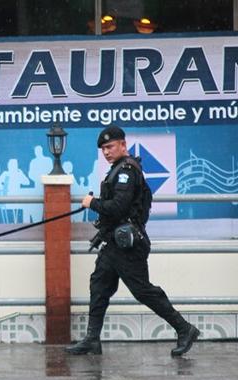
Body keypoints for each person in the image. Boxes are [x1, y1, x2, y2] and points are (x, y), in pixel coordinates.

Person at [65, 125, 199, 357]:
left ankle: (184, 328)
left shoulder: (126, 171)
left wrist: (92, 203)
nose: (106, 152)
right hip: (114, 244)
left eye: (110, 147)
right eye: (103, 149)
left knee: (143, 291)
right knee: (99, 285)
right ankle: (92, 340)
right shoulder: (117, 170)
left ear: (123, 145)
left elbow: (118, 207)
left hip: (128, 247)